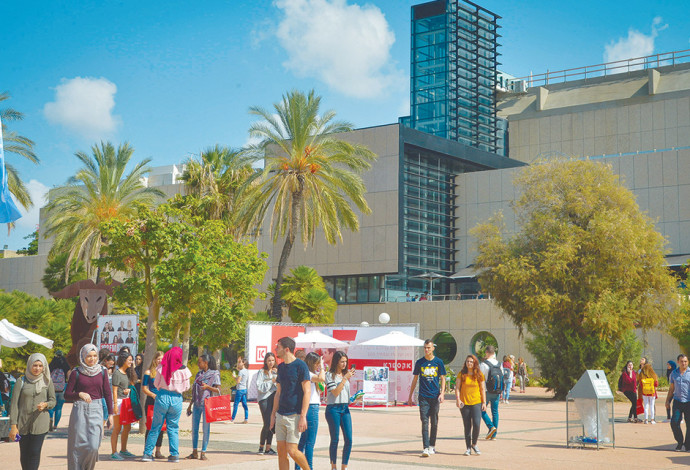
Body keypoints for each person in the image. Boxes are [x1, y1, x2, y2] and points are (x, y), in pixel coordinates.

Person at [66, 344, 113, 469]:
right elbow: (67, 395)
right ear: (83, 357)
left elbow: (108, 393)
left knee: (93, 446)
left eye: (94, 356)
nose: (92, 359)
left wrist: (110, 414)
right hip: (79, 410)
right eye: (89, 356)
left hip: (97, 408)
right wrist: (79, 394)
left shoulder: (102, 371)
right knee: (76, 446)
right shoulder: (76, 372)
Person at [142, 347, 191, 462]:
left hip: (162, 396)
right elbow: (187, 387)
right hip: (177, 398)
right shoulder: (185, 370)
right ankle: (174, 454)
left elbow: (156, 383)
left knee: (156, 426)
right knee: (173, 427)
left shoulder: (161, 367)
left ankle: (147, 453)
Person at [269, 336, 311, 470]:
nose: (275, 349)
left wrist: (303, 416)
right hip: (280, 414)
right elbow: (278, 393)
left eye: (278, 347)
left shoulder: (301, 366)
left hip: (295, 415)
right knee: (281, 453)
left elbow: (307, 392)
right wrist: (273, 415)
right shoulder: (280, 367)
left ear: (286, 349)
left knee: (292, 451)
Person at [9, 353, 56, 470]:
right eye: (35, 365)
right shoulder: (21, 381)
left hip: (40, 424)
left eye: (40, 366)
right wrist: (13, 426)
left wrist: (46, 404)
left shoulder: (47, 381)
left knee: (35, 452)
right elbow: (14, 404)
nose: (37, 368)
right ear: (30, 365)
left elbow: (53, 400)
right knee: (24, 454)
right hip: (22, 424)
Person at [408, 339, 446, 457]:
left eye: (428, 348)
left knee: (434, 422)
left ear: (433, 348)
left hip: (435, 396)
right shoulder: (420, 362)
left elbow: (443, 378)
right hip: (423, 396)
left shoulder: (438, 362)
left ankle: (432, 446)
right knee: (424, 421)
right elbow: (415, 379)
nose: (426, 350)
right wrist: (410, 396)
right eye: (425, 347)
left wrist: (442, 393)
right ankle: (425, 447)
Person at [186, 354, 221, 460]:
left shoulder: (214, 374)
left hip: (207, 404)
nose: (198, 364)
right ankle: (194, 451)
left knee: (206, 429)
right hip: (196, 404)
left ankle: (204, 452)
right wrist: (190, 405)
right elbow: (194, 390)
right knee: (194, 429)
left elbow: (218, 390)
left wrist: (208, 387)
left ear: (206, 362)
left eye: (200, 362)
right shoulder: (198, 374)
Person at [325, 350, 354, 470]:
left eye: (346, 362)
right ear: (336, 362)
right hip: (333, 408)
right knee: (335, 439)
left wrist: (354, 398)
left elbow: (345, 394)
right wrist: (344, 379)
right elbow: (335, 392)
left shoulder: (345, 375)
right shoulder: (329, 375)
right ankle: (333, 466)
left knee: (349, 439)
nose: (344, 364)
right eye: (342, 361)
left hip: (345, 408)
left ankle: (344, 466)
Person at [297, 352, 326, 470]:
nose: (318, 366)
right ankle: (309, 467)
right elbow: (321, 378)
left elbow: (321, 385)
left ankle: (298, 466)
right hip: (312, 407)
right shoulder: (308, 373)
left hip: (309, 406)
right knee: (310, 442)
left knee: (303, 440)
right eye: (317, 364)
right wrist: (323, 367)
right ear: (312, 363)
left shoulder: (306, 373)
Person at [456, 355, 486, 456]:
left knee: (477, 424)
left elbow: (482, 389)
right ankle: (468, 447)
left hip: (476, 402)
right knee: (467, 425)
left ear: (475, 363)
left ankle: (474, 444)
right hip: (465, 403)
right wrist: (458, 399)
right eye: (468, 361)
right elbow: (457, 388)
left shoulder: (479, 374)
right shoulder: (462, 374)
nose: (469, 363)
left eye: (471, 362)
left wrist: (484, 402)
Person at [111, 351, 137, 460]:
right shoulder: (117, 373)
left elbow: (131, 385)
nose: (131, 362)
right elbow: (115, 390)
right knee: (117, 428)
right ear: (124, 360)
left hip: (126, 402)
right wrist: (115, 404)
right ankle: (114, 452)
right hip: (119, 402)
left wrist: (128, 390)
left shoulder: (128, 372)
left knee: (127, 427)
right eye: (129, 360)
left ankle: (123, 449)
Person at [142, 351, 166, 459]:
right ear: (154, 360)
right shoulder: (148, 372)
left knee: (161, 427)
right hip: (151, 401)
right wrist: (153, 395)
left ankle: (158, 450)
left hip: (162, 401)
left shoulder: (165, 372)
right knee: (150, 426)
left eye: (162, 359)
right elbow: (144, 388)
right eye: (158, 359)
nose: (160, 361)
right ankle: (148, 450)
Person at [666, 354, 690, 451]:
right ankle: (680, 442)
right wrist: (667, 400)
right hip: (677, 402)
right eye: (682, 361)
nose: (684, 363)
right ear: (678, 362)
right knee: (674, 422)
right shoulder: (674, 373)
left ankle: (688, 444)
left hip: (689, 402)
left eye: (685, 361)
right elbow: (671, 389)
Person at [256, 352, 278, 455]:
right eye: (269, 360)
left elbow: (279, 386)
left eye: (273, 360)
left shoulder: (276, 372)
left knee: (272, 423)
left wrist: (278, 375)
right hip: (264, 399)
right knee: (267, 423)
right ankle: (261, 447)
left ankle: (268, 448)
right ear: (265, 361)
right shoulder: (261, 372)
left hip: (274, 399)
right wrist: (271, 381)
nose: (271, 362)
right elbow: (260, 387)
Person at [478, 345, 501, 439]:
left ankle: (491, 427)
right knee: (495, 412)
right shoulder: (499, 364)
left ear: (486, 352)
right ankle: (494, 435)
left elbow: (480, 378)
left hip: (486, 391)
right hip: (497, 391)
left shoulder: (483, 364)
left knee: (481, 410)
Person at [48, 350, 70, 431]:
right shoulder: (66, 365)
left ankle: (50, 419)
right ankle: (55, 426)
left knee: (51, 407)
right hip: (62, 389)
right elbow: (69, 376)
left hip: (51, 389)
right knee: (59, 408)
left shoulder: (51, 365)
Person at [232, 356, 249, 423]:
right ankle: (246, 419)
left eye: (240, 362)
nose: (238, 364)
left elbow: (238, 381)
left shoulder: (241, 372)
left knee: (235, 404)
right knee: (244, 405)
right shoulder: (246, 371)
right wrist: (238, 364)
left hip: (239, 390)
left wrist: (234, 377)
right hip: (244, 389)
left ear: (243, 363)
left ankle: (232, 419)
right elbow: (239, 369)